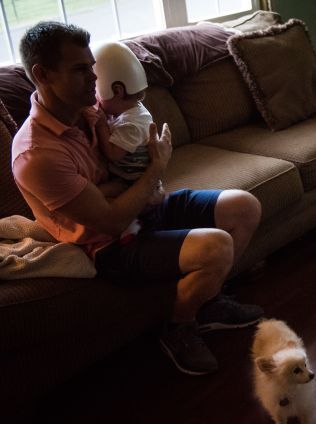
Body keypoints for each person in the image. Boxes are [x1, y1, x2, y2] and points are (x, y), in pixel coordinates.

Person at [11, 22, 264, 376]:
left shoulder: (87, 110)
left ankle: (208, 301)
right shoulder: (37, 154)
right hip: (111, 245)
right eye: (80, 69)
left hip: (143, 206)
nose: (93, 78)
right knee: (217, 246)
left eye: (92, 67)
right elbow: (111, 220)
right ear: (43, 75)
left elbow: (126, 161)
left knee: (244, 206)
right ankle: (179, 327)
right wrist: (156, 166)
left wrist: (128, 184)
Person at [91, 41, 164, 207]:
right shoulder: (129, 110)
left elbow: (113, 154)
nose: (96, 101)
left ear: (117, 91)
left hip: (134, 184)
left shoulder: (132, 123)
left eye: (97, 93)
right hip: (126, 178)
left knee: (96, 195)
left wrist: (101, 123)